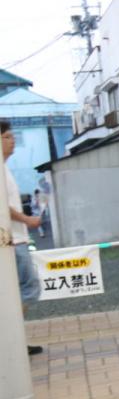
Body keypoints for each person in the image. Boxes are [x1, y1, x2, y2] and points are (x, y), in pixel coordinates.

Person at [3, 121, 42, 355]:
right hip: (12, 241)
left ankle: (14, 338)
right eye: (7, 136)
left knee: (19, 290)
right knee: (29, 287)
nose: (12, 140)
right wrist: (27, 220)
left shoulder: (6, 168)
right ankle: (11, 337)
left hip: (16, 239)